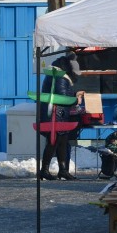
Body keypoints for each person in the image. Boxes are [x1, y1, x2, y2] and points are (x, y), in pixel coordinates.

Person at [39, 53, 84, 181]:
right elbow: (63, 97)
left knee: (62, 142)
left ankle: (63, 170)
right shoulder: (59, 78)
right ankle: (44, 170)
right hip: (55, 115)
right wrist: (76, 100)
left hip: (58, 114)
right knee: (53, 142)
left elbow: (60, 93)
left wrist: (74, 94)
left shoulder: (54, 76)